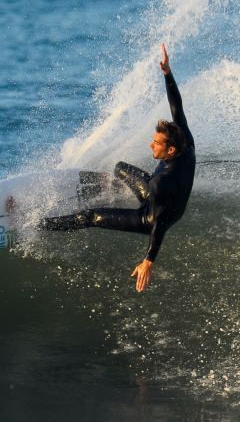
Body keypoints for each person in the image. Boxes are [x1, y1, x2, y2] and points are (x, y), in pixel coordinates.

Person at [40, 44, 195, 292]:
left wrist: (148, 261)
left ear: (171, 150)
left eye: (156, 144)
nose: (151, 145)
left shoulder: (161, 182)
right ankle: (108, 184)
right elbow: (177, 108)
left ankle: (42, 225)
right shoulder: (185, 141)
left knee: (90, 216)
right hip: (163, 196)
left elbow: (160, 223)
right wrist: (167, 74)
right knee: (120, 167)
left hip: (150, 217)